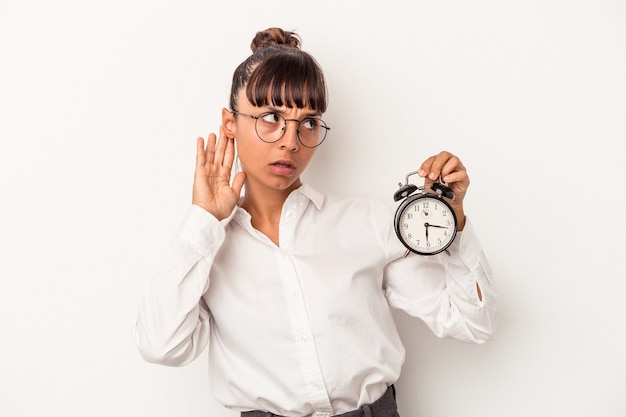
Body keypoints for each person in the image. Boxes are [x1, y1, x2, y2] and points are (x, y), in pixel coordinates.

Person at [133, 27, 497, 417]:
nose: (290, 140)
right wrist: (204, 221)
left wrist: (452, 224)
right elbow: (161, 345)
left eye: (308, 123)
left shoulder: (367, 224)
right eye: (271, 117)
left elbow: (472, 323)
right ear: (229, 123)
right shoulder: (208, 247)